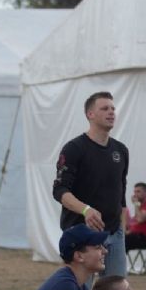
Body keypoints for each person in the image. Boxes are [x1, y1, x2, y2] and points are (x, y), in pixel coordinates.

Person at [53, 91, 129, 276]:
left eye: (113, 108)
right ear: (90, 114)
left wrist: (123, 229)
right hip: (81, 233)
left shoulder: (121, 150)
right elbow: (59, 190)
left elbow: (121, 193)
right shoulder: (74, 149)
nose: (111, 112)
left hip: (114, 233)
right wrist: (86, 210)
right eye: (104, 108)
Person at [124, 182, 146, 251]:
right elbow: (135, 222)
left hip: (145, 239)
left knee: (122, 241)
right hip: (137, 236)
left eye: (138, 191)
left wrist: (136, 204)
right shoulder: (141, 207)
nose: (135, 194)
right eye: (134, 192)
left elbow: (140, 219)